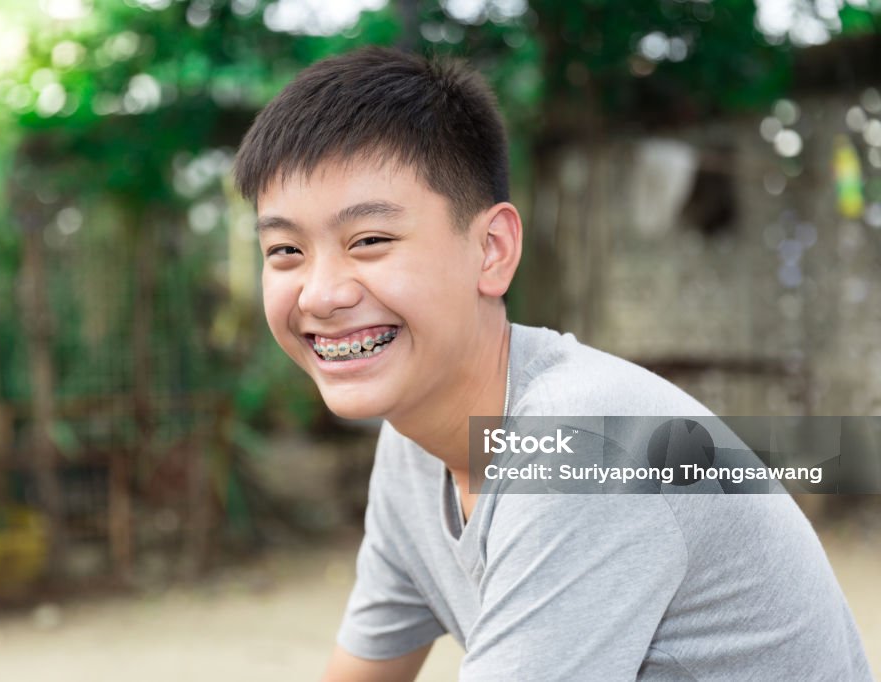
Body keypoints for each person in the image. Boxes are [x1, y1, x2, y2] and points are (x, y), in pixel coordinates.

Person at [233, 47, 872, 681]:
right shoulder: (413, 449)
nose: (320, 293)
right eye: (285, 249)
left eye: (369, 241)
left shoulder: (586, 441)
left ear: (492, 250)